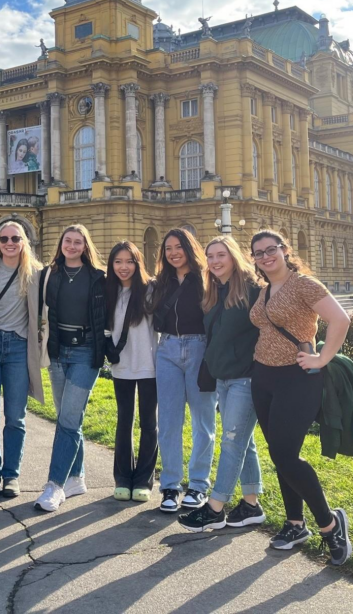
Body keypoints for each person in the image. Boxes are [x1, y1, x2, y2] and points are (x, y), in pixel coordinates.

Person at [248, 230, 353, 565]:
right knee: (282, 455)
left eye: (271, 250)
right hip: (263, 377)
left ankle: (330, 523)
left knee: (285, 454)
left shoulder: (303, 284)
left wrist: (322, 359)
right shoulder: (265, 290)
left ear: (284, 251)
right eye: (259, 253)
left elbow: (340, 319)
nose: (266, 256)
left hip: (297, 378)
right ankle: (295, 524)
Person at [179, 235, 266, 532]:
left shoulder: (253, 290)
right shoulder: (216, 290)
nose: (215, 261)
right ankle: (251, 505)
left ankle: (215, 508)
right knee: (244, 441)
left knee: (231, 440)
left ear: (233, 256)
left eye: (221, 255)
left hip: (246, 376)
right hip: (224, 377)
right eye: (211, 256)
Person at [35, 224, 107, 512]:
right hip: (56, 352)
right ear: (61, 243)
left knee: (67, 419)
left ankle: (55, 485)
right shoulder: (48, 275)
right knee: (69, 418)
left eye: (78, 242)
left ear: (85, 246)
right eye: (68, 241)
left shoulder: (98, 277)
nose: (73, 246)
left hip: (85, 351)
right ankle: (77, 477)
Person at [0, 221, 44, 499]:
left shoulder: (35, 273)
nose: (9, 243)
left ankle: (11, 475)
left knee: (16, 417)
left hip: (18, 348)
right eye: (4, 239)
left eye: (15, 238)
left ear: (24, 241)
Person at [152, 228, 215, 514]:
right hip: (167, 350)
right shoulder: (161, 282)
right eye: (168, 249)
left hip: (199, 348)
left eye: (178, 247)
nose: (173, 253)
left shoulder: (206, 279)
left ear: (189, 248)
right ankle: (170, 486)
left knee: (203, 421)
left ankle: (199, 484)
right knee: (168, 421)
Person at [105, 241, 158, 503]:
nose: (123, 267)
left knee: (149, 423)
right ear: (111, 264)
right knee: (124, 421)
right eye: (118, 262)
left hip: (150, 365)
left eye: (129, 261)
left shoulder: (150, 290)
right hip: (121, 365)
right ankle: (123, 478)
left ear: (138, 264)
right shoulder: (107, 290)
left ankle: (144, 479)